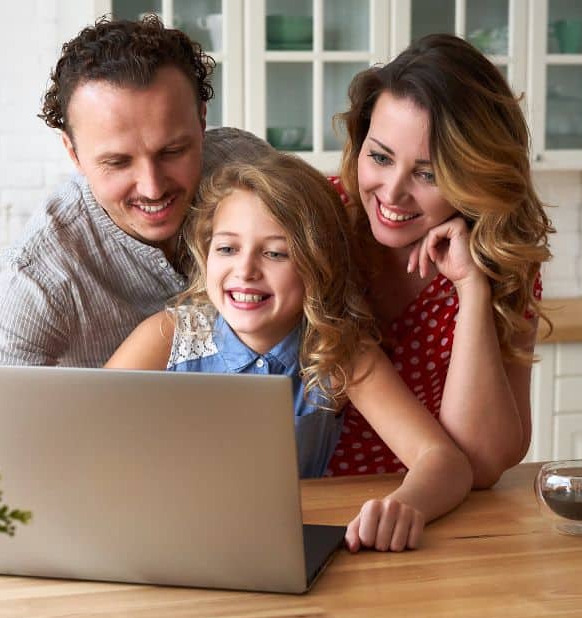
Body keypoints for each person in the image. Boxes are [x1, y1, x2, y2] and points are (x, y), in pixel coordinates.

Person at [107, 153, 473, 552]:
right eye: (227, 248)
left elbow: (444, 462)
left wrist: (405, 505)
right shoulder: (170, 335)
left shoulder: (337, 352)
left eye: (276, 253)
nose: (245, 270)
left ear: (318, 265)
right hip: (166, 540)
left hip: (283, 547)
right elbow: (86, 431)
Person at [328, 34, 553, 488]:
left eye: (428, 173)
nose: (391, 193)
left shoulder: (502, 263)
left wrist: (471, 289)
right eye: (380, 157)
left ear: (474, 176)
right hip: (307, 506)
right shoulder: (313, 220)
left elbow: (485, 464)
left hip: (430, 512)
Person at [0, 16, 259, 367]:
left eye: (172, 152)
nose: (153, 188)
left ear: (201, 121)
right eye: (118, 162)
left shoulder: (250, 170)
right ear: (73, 153)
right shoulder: (39, 273)